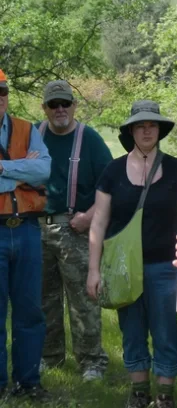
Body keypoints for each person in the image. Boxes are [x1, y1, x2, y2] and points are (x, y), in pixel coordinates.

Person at [87, 100, 177, 408]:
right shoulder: (112, 171)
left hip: (165, 268)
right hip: (122, 269)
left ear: (159, 130)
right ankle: (139, 392)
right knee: (131, 332)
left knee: (165, 333)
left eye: (152, 125)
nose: (146, 130)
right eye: (140, 125)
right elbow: (99, 222)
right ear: (131, 130)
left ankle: (165, 398)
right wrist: (94, 270)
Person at [37, 80, 112, 381]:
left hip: (77, 230)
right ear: (44, 108)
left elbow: (110, 188)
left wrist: (89, 217)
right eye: (53, 105)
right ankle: (49, 357)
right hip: (37, 228)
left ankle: (92, 362)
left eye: (65, 103)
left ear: (74, 105)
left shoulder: (89, 139)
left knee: (84, 300)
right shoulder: (33, 136)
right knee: (43, 299)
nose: (60, 110)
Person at [0, 69, 51, 400]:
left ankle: (28, 381)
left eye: (2, 93)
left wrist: (4, 169)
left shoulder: (27, 128)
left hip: (29, 230)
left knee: (30, 311)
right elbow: (32, 172)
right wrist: (23, 171)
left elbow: (44, 170)